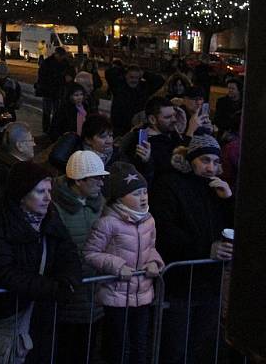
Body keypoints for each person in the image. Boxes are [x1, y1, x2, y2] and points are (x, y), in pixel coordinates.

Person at [0, 162, 81, 364]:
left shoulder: (51, 217)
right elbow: (2, 271)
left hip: (43, 315)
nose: (48, 198)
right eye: (40, 191)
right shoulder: (0, 224)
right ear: (22, 194)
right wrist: (51, 288)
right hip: (12, 311)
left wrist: (69, 280)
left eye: (49, 191)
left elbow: (68, 252)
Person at [150, 133, 234, 364]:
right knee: (175, 348)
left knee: (202, 347)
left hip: (209, 284)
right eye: (205, 160)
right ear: (191, 159)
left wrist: (229, 200)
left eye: (216, 162)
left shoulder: (216, 190)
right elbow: (166, 231)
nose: (211, 167)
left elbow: (230, 227)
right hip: (180, 283)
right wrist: (205, 250)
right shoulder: (169, 185)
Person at [83, 162, 164, 364]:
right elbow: (90, 253)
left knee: (140, 345)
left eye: (144, 192)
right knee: (116, 346)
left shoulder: (149, 220)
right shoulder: (107, 223)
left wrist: (155, 262)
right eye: (136, 193)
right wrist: (117, 266)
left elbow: (151, 247)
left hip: (143, 294)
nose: (143, 197)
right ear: (120, 197)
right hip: (116, 295)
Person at [51, 151, 108, 363]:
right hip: (68, 298)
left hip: (94, 295)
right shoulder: (55, 208)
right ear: (78, 180)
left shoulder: (99, 205)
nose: (102, 183)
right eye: (97, 178)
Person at [0, 122, 36, 213]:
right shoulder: (2, 172)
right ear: (19, 146)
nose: (34, 144)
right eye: (31, 140)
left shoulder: (16, 167)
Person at [106, 64, 164, 136]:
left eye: (136, 77)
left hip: (138, 127)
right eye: (131, 77)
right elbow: (109, 73)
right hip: (119, 128)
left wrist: (144, 73)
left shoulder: (143, 88)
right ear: (126, 76)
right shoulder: (118, 86)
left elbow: (160, 81)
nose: (134, 80)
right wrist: (124, 69)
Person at [37, 46, 69, 134]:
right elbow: (43, 77)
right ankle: (46, 129)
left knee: (57, 111)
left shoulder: (64, 63)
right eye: (60, 56)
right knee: (47, 111)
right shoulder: (47, 63)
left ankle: (54, 128)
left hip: (58, 91)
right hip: (48, 91)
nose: (61, 58)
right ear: (56, 54)